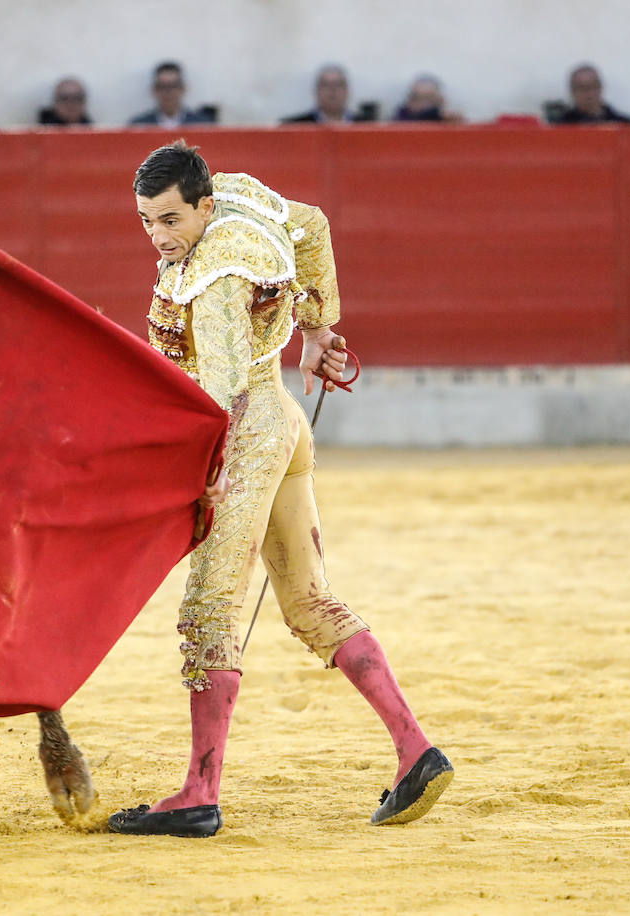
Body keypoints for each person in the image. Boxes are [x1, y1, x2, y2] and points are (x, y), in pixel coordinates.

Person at [108, 140, 452, 838]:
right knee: (309, 600)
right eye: (147, 221)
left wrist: (215, 469)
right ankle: (416, 751)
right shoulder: (237, 196)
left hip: (244, 437)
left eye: (171, 220)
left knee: (208, 611)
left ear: (203, 205)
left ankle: (199, 793)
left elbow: (224, 389)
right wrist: (318, 329)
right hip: (284, 423)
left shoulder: (213, 277)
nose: (159, 236)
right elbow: (314, 222)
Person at [129, 62, 215, 128]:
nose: (168, 92)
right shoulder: (139, 126)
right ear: (154, 90)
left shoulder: (202, 125)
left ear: (183, 88)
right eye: (163, 86)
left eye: (174, 86)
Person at [282, 64, 375, 124]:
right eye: (325, 85)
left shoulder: (367, 126)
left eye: (338, 85)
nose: (332, 90)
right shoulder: (295, 126)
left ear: (347, 91)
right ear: (316, 92)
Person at [554, 64, 630, 125]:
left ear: (601, 88)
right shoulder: (562, 126)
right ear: (572, 91)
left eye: (593, 86)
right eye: (582, 88)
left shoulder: (624, 124)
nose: (589, 93)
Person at [394, 74, 464, 123]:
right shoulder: (401, 117)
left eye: (429, 99)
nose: (423, 104)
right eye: (417, 99)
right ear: (410, 101)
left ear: (440, 100)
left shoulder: (447, 119)